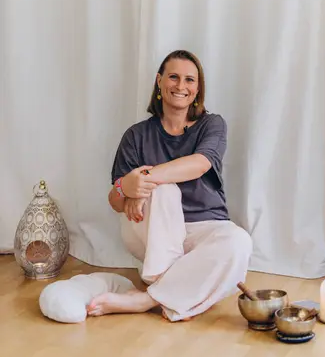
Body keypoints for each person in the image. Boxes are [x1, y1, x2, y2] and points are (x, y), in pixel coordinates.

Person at [87, 49, 252, 322]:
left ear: (197, 89)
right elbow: (116, 202)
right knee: (164, 190)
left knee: (239, 242)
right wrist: (125, 188)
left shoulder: (212, 124)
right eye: (173, 77)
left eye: (190, 80)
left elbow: (200, 163)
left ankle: (150, 297)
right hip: (151, 234)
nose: (181, 86)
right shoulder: (136, 135)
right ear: (160, 82)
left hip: (206, 228)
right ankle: (176, 287)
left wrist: (143, 180)